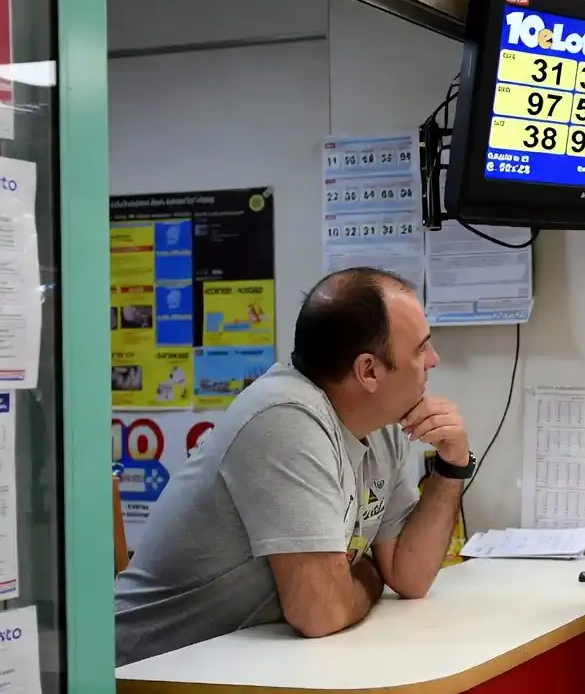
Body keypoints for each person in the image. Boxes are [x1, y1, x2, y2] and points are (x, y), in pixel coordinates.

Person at [115, 267, 476, 665]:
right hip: (145, 671)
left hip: (239, 666)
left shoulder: (381, 427)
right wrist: (370, 576)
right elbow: (319, 612)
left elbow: (409, 575)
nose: (434, 360)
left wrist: (452, 465)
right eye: (421, 349)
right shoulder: (284, 416)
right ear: (368, 371)